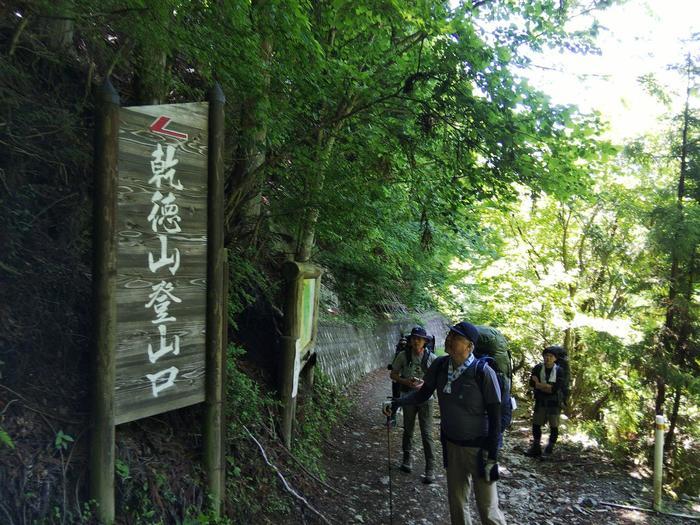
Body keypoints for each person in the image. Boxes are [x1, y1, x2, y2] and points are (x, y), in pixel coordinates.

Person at [388, 321, 507, 525]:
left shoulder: (483, 372)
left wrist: (492, 455)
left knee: (488, 510)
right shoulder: (441, 366)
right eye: (450, 335)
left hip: (480, 450)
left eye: (457, 337)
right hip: (451, 445)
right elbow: (423, 393)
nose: (450, 340)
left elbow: (496, 416)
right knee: (457, 504)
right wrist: (397, 402)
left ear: (470, 346)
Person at [389, 326, 437, 483]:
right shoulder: (403, 356)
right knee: (408, 429)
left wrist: (425, 384)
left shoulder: (432, 359)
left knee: (427, 433)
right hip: (408, 397)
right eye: (414, 338)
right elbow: (393, 374)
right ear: (410, 341)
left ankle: (430, 468)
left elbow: (438, 380)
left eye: (419, 339)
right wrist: (405, 381)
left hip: (426, 399)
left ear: (424, 342)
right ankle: (406, 459)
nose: (416, 341)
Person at [525, 346, 565, 457]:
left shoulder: (559, 370)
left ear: (555, 359)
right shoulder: (538, 368)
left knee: (554, 426)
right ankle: (536, 447)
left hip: (554, 402)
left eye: (550, 356)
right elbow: (532, 384)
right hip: (540, 400)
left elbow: (554, 388)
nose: (547, 358)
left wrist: (539, 384)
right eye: (546, 356)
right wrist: (546, 386)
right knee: (536, 424)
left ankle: (549, 449)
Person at [387, 334, 409, 426]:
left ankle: (393, 418)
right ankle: (393, 418)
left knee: (397, 398)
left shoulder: (400, 352)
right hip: (401, 379)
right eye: (402, 343)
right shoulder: (404, 353)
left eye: (404, 343)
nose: (403, 344)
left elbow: (393, 365)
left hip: (399, 379)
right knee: (398, 398)